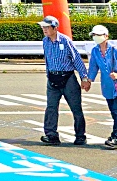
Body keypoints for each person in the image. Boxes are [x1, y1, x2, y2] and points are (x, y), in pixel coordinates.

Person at [38, 15, 90, 145]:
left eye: (47, 27)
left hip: (68, 78)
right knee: (51, 107)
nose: (44, 29)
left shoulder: (65, 41)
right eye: (43, 27)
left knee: (76, 108)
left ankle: (80, 135)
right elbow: (47, 60)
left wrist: (84, 77)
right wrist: (48, 75)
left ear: (55, 28)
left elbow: (76, 59)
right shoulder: (45, 41)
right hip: (53, 78)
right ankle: (51, 135)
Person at [87, 25, 117, 149]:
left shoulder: (115, 50)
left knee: (116, 112)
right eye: (94, 35)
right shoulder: (95, 51)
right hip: (107, 86)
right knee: (115, 113)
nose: (96, 38)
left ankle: (115, 137)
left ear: (106, 36)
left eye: (98, 35)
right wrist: (88, 80)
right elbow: (93, 67)